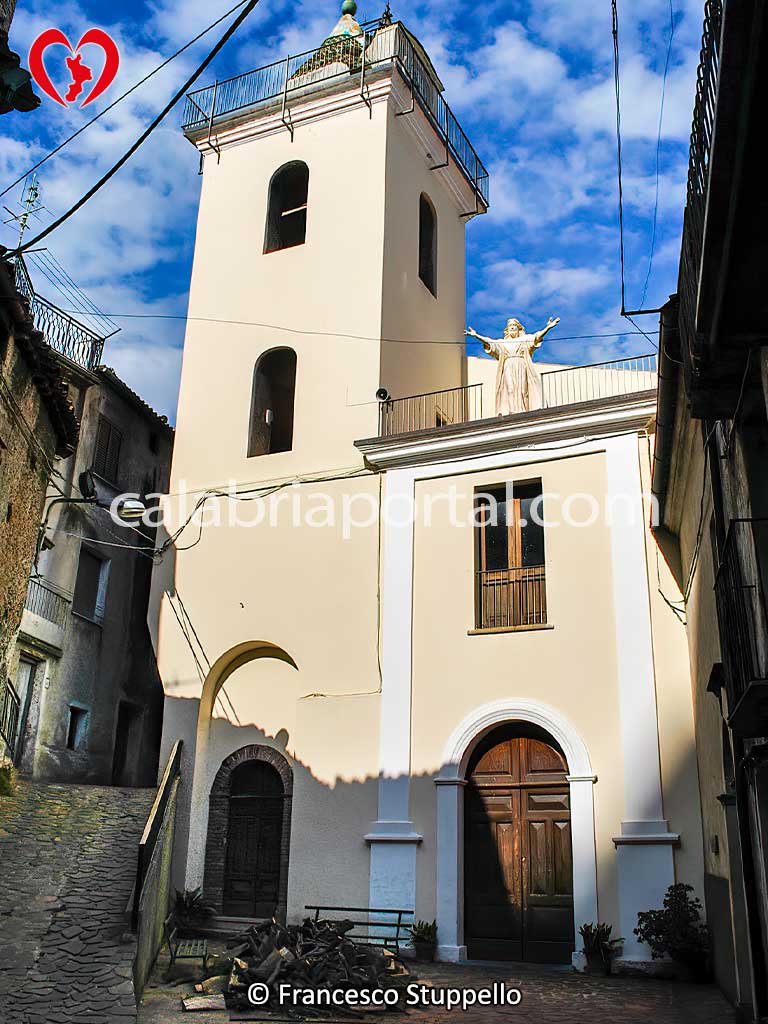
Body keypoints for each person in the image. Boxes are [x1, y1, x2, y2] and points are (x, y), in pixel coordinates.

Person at [466, 317, 561, 415]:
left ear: (518, 328)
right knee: (510, 388)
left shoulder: (524, 339)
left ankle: (524, 410)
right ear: (507, 330)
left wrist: (548, 327)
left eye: (514, 325)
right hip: (508, 364)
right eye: (510, 326)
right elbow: (490, 342)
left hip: (521, 363)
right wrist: (476, 335)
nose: (512, 327)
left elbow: (536, 337)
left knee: (523, 390)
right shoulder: (503, 343)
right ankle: (512, 411)